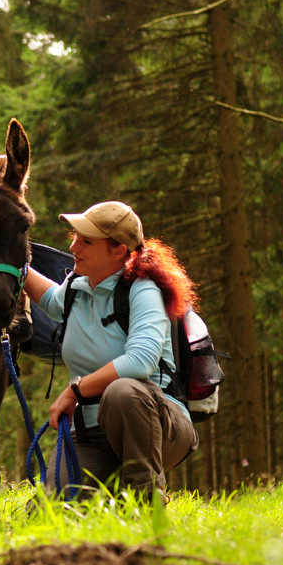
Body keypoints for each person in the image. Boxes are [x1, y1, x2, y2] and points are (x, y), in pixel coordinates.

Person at [23, 201, 199, 501]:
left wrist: (75, 391)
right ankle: (113, 493)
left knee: (123, 392)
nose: (74, 245)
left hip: (158, 426)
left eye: (86, 241)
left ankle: (146, 501)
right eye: (76, 236)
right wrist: (12, 264)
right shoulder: (78, 285)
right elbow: (52, 301)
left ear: (118, 251)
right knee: (54, 504)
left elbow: (140, 361)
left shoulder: (143, 290)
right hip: (91, 435)